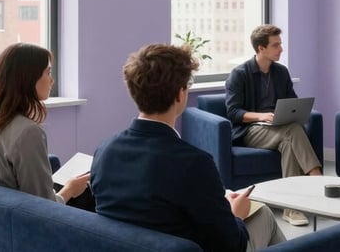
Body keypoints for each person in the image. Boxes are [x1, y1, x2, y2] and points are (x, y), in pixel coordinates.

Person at [91, 44, 286, 252]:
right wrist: (235, 214)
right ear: (179, 95)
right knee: (263, 214)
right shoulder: (193, 163)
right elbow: (231, 244)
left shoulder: (104, 150)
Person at [0, 43, 90, 205]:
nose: (52, 80)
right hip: (22, 223)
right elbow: (44, 206)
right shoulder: (28, 132)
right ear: (28, 78)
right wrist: (70, 189)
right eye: (48, 72)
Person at [225, 24, 322, 227]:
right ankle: (317, 179)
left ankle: (291, 209)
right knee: (293, 131)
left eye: (280, 44)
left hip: (280, 129)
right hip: (251, 130)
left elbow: (292, 101)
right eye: (276, 45)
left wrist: (294, 112)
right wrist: (263, 116)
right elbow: (233, 112)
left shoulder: (281, 72)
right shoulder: (240, 74)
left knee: (289, 140)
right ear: (261, 48)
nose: (281, 49)